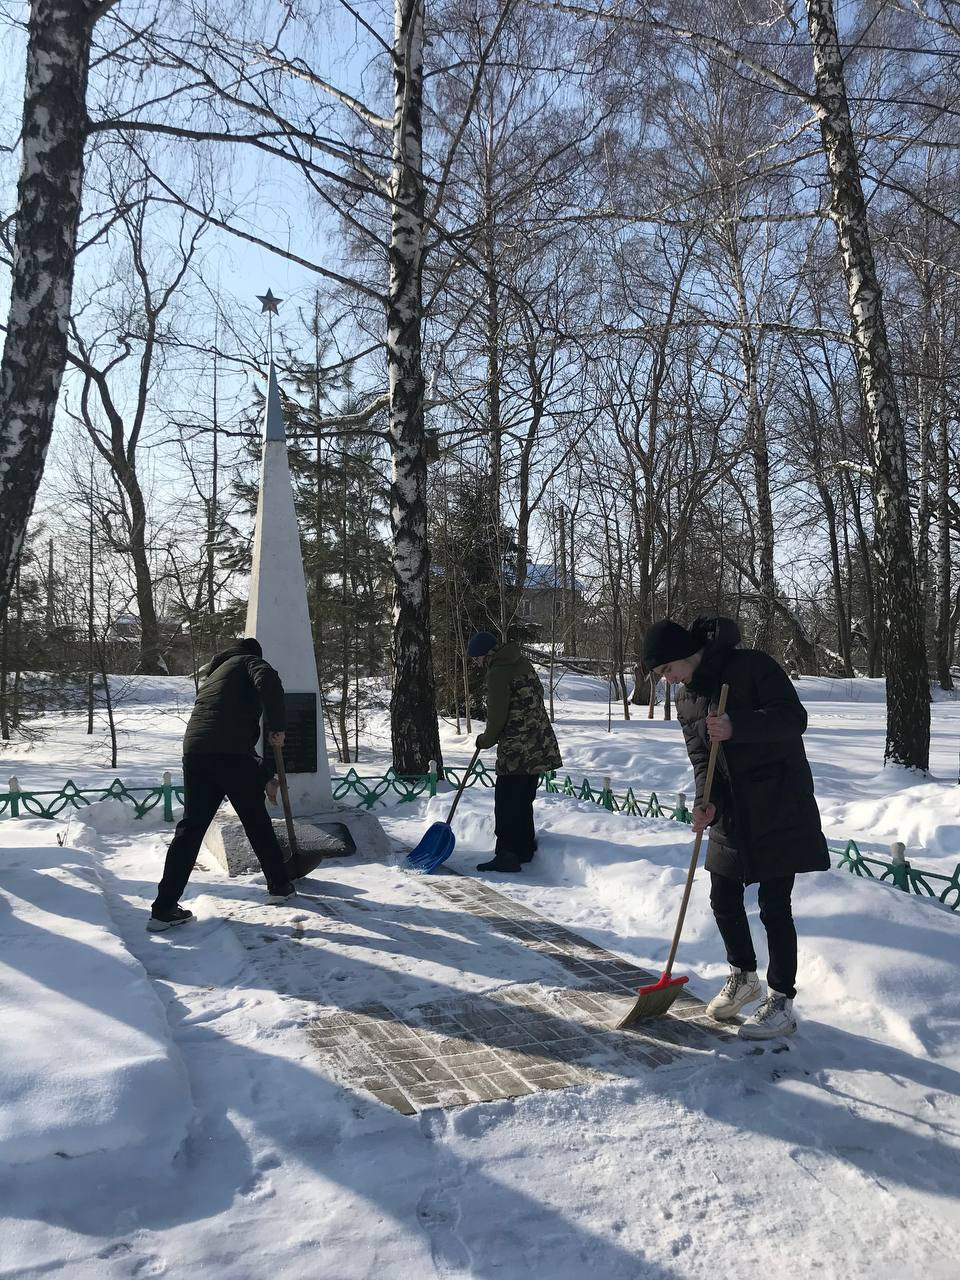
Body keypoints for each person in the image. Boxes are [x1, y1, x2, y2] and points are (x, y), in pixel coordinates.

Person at [643, 616, 829, 1040]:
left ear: (682, 656)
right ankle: (743, 976)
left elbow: (792, 719)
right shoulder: (689, 700)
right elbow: (701, 761)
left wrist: (736, 727)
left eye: (667, 671)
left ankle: (781, 1000)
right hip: (731, 812)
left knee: (774, 906)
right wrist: (704, 803)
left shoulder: (751, 666)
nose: (668, 681)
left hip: (777, 803)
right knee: (723, 897)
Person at [148, 637, 296, 931]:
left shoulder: (215, 676)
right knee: (256, 820)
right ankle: (279, 885)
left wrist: (264, 775)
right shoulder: (248, 661)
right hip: (229, 753)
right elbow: (268, 679)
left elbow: (226, 730)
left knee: (190, 829)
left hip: (196, 753)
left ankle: (163, 909)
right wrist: (278, 727)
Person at [467, 631, 562, 873]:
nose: (476, 663)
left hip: (517, 747)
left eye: (476, 658)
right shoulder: (521, 662)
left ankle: (507, 855)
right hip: (539, 742)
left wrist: (485, 740)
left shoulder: (498, 672)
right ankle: (524, 849)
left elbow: (497, 716)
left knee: (506, 801)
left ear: (485, 655)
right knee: (523, 798)